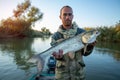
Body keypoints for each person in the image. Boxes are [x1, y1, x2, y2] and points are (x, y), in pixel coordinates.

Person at [50, 5, 96, 80]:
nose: (67, 17)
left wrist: (90, 46)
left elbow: (85, 54)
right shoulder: (55, 36)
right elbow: (56, 55)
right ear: (60, 17)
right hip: (62, 75)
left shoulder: (82, 32)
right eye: (64, 14)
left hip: (79, 75)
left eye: (69, 14)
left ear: (72, 16)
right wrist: (59, 57)